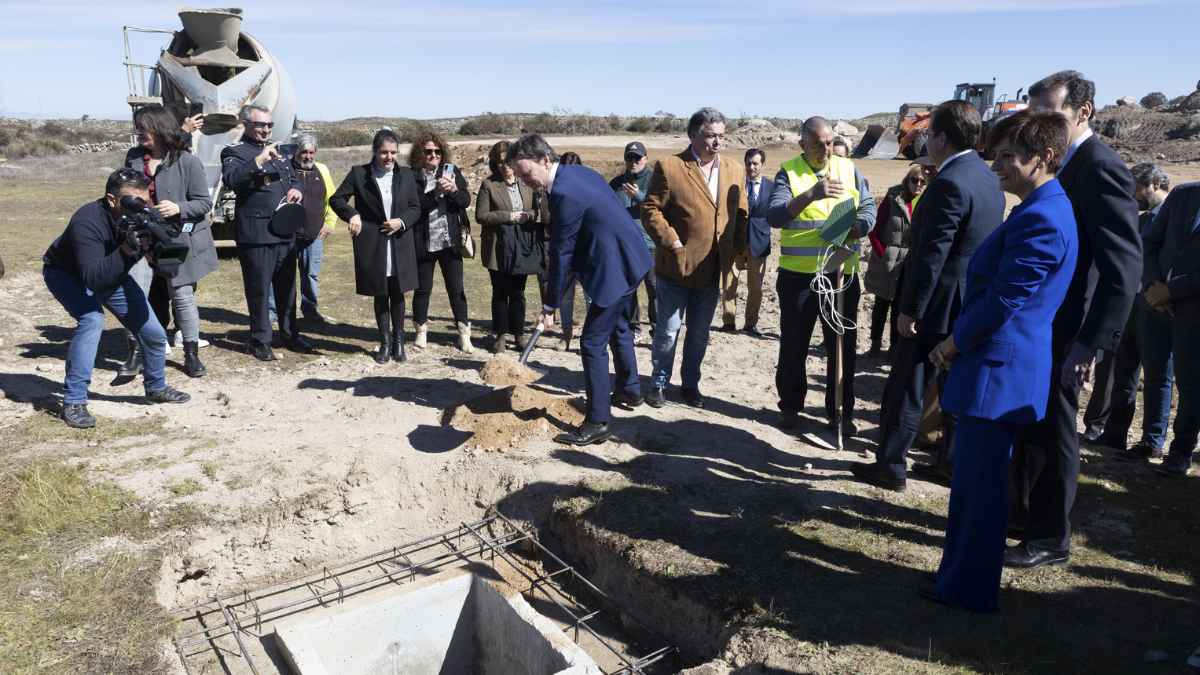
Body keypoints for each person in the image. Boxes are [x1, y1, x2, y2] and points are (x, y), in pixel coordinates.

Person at [920, 109, 1077, 613]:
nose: (998, 167)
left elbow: (1004, 300)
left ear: (1045, 158)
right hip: (998, 370)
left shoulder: (1044, 218)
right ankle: (961, 580)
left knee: (980, 493)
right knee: (974, 488)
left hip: (997, 373)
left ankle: (967, 590)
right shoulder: (1038, 209)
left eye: (1009, 157)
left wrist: (952, 344)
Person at [1007, 71, 1141, 570]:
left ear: (1082, 112)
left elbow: (1123, 267)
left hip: (1071, 328)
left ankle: (1050, 537)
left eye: (1050, 113)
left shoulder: (1101, 166)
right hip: (1043, 320)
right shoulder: (1060, 162)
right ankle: (1021, 518)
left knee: (1057, 430)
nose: (1038, 123)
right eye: (1033, 112)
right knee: (1032, 422)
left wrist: (1092, 343)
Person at [852, 101, 1004, 491]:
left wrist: (910, 311)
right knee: (953, 387)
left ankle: (891, 466)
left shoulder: (949, 184)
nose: (924, 137)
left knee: (908, 386)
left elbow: (930, 256)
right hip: (968, 302)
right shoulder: (987, 179)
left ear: (941, 137)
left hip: (935, 308)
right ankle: (948, 461)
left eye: (929, 131)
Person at [509, 134, 652, 445]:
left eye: (526, 173)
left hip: (615, 267)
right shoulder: (578, 172)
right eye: (518, 176)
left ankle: (598, 421)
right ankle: (630, 388)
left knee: (591, 342)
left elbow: (561, 253)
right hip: (631, 257)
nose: (524, 181)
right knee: (617, 328)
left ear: (545, 160)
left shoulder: (563, 193)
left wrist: (549, 306)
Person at [42, 169, 191, 428]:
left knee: (153, 332)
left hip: (111, 270)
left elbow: (165, 266)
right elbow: (93, 279)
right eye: (132, 201)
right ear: (112, 200)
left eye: (144, 201)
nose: (140, 207)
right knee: (91, 319)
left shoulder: (142, 216)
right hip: (66, 273)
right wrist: (127, 251)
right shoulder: (87, 220)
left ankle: (156, 387)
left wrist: (161, 250)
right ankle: (74, 401)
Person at [766, 116, 876, 436]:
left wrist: (860, 226)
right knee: (794, 346)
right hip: (799, 279)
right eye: (818, 144)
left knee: (841, 348)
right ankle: (790, 407)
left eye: (829, 142)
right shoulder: (789, 172)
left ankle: (840, 411)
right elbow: (775, 215)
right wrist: (811, 195)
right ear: (803, 144)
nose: (826, 149)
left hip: (841, 276)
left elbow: (867, 207)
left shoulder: (848, 168)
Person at [641, 107, 749, 409]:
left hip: (713, 269)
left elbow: (741, 214)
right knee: (668, 331)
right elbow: (650, 210)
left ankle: (690, 385)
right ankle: (659, 383)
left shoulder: (733, 169)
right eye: (710, 136)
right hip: (676, 268)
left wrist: (739, 251)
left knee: (699, 334)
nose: (717, 142)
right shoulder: (670, 166)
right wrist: (672, 241)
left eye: (721, 137)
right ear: (693, 135)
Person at [121, 104, 217, 379]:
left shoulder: (187, 161)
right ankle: (136, 352)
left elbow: (203, 203)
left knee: (183, 297)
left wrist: (178, 208)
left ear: (160, 128)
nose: (139, 134)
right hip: (141, 239)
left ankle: (190, 354)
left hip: (176, 239)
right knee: (135, 295)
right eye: (137, 129)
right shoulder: (134, 158)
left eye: (143, 129)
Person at [220, 105, 315, 361]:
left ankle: (289, 334)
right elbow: (232, 179)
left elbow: (293, 177)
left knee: (287, 289)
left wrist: (297, 190)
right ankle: (260, 340)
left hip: (284, 231)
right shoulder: (235, 152)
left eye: (269, 125)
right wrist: (259, 160)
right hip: (257, 234)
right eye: (261, 125)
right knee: (259, 290)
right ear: (247, 125)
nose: (266, 130)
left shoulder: (281, 152)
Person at [1093, 163, 1175, 460]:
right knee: (1124, 372)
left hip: (1157, 308)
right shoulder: (1141, 221)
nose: (1134, 194)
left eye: (1138, 187)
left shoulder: (1173, 219)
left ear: (1154, 184)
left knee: (1157, 376)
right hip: (1131, 306)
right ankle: (1115, 434)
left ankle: (1152, 439)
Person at [329, 129, 422, 363]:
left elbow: (415, 208)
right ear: (374, 152)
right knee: (380, 293)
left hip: (400, 242)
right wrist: (352, 214)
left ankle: (399, 343)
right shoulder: (359, 174)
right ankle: (384, 343)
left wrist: (401, 222)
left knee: (398, 293)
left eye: (393, 153)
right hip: (373, 241)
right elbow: (336, 199)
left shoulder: (408, 175)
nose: (389, 157)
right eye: (384, 152)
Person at [1142, 178, 1200, 477]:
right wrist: (1153, 285)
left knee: (1191, 386)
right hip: (1156, 303)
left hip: (1193, 310)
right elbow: (1150, 242)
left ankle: (1181, 452)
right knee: (1154, 374)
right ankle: (1151, 441)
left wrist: (1172, 290)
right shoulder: (1183, 195)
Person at [475, 140, 545, 353]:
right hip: (498, 246)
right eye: (499, 163)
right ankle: (500, 335)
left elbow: (538, 211)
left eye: (507, 161)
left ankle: (519, 334)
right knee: (500, 292)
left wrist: (529, 216)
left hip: (522, 245)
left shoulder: (527, 182)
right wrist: (510, 217)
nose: (504, 166)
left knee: (518, 292)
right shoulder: (489, 185)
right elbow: (481, 216)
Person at [408, 132, 474, 353]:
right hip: (424, 242)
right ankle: (421, 332)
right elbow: (414, 209)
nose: (433, 155)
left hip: (450, 242)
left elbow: (465, 201)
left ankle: (464, 334)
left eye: (437, 151)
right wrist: (436, 193)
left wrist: (454, 190)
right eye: (428, 151)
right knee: (423, 289)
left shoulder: (451, 171)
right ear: (420, 153)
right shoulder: (412, 176)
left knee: (456, 290)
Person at [267, 134, 338, 326]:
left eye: (311, 152)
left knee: (311, 275)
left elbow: (332, 199)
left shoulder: (321, 169)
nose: (307, 156)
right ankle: (273, 312)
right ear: (296, 152)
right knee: (280, 274)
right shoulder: (285, 168)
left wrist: (330, 223)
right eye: (304, 152)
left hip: (314, 233)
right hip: (287, 234)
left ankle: (310, 310)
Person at [863, 163, 927, 357]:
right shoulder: (893, 198)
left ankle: (893, 348)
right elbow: (874, 230)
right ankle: (874, 346)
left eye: (922, 181)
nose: (918, 184)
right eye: (914, 180)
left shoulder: (928, 201)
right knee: (881, 304)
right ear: (906, 180)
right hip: (887, 262)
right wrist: (883, 254)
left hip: (909, 263)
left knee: (900, 307)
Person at [722, 148, 773, 336]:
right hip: (735, 241)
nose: (751, 167)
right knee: (729, 284)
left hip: (759, 242)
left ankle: (751, 324)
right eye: (749, 163)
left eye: (755, 163)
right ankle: (728, 321)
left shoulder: (771, 187)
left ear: (762, 165)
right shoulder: (735, 185)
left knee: (756, 288)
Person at [609, 141, 656, 338]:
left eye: (637, 158)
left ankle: (657, 329)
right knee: (629, 289)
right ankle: (633, 327)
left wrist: (639, 196)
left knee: (654, 287)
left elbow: (661, 207)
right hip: (626, 244)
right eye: (629, 157)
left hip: (651, 243)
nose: (633, 161)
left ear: (645, 158)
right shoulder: (616, 183)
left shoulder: (656, 180)